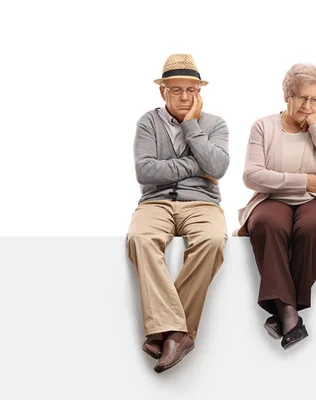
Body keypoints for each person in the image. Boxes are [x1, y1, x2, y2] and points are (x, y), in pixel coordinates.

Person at [233, 63, 316, 350]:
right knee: (266, 224)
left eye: (315, 99)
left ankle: (282, 310)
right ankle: (290, 313)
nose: (307, 105)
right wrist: (301, 182)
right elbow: (252, 175)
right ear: (288, 95)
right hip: (271, 200)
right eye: (302, 97)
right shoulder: (264, 126)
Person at [126, 54, 229, 372]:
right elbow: (145, 172)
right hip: (155, 203)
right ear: (163, 92)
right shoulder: (148, 122)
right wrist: (197, 165)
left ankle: (167, 332)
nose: (185, 96)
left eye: (191, 90)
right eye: (177, 90)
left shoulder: (215, 124)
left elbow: (219, 167)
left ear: (199, 91)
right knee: (140, 238)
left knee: (212, 240)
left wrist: (190, 126)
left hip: (202, 203)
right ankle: (178, 332)